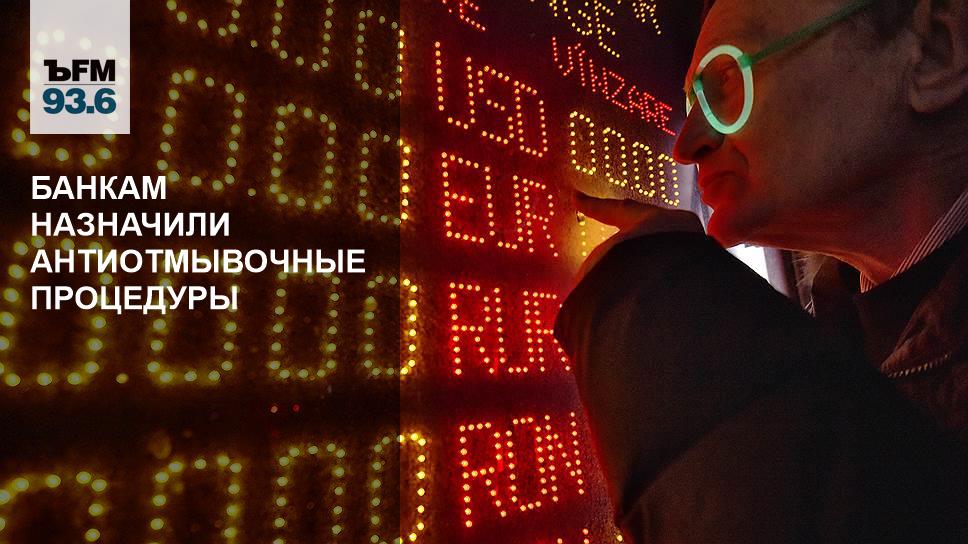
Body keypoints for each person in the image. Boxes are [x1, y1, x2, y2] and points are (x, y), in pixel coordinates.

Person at [553, 0, 968, 541]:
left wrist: (656, 299)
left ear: (936, 53)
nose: (685, 146)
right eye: (691, 104)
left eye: (725, 83)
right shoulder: (829, 341)